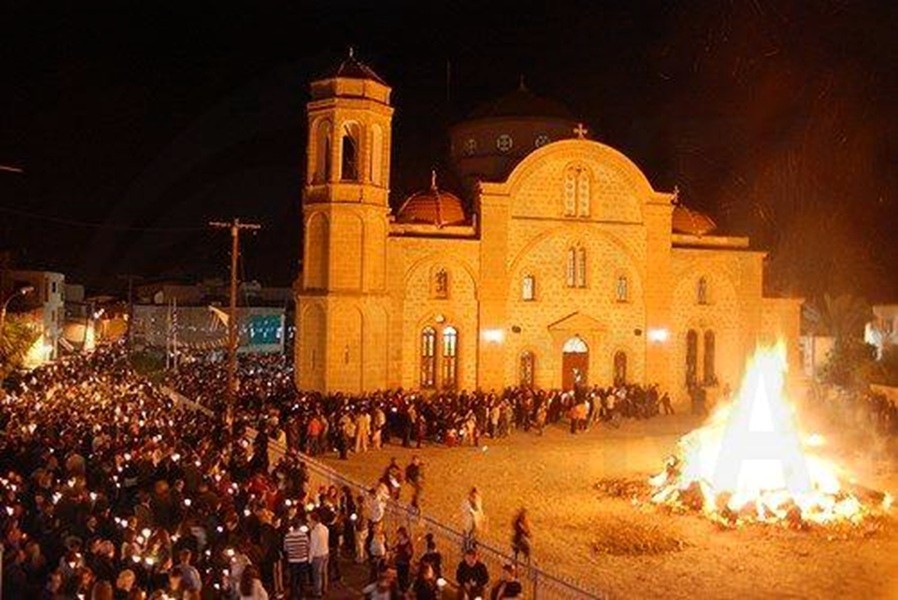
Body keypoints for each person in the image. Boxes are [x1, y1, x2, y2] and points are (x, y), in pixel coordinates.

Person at [283, 519, 311, 600]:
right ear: (299, 526)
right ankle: (302, 595)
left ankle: (294, 595)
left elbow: (285, 548)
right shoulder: (304, 535)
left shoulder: (287, 536)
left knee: (293, 578)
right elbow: (308, 546)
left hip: (292, 560)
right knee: (302, 578)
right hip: (303, 559)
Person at [308, 510, 330, 597]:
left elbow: (313, 546)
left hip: (317, 555)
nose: (308, 523)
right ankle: (325, 588)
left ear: (314, 521)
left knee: (317, 575)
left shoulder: (314, 532)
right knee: (324, 572)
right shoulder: (325, 528)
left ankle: (317, 591)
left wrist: (310, 559)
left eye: (309, 521)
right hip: (325, 552)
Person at [394, 526, 414, 593]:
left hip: (405, 563)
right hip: (399, 562)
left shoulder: (408, 543)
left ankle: (404, 591)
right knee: (399, 577)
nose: (398, 536)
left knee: (404, 578)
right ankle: (401, 590)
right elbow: (396, 550)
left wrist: (407, 554)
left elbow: (410, 553)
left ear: (402, 534)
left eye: (399, 534)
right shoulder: (399, 542)